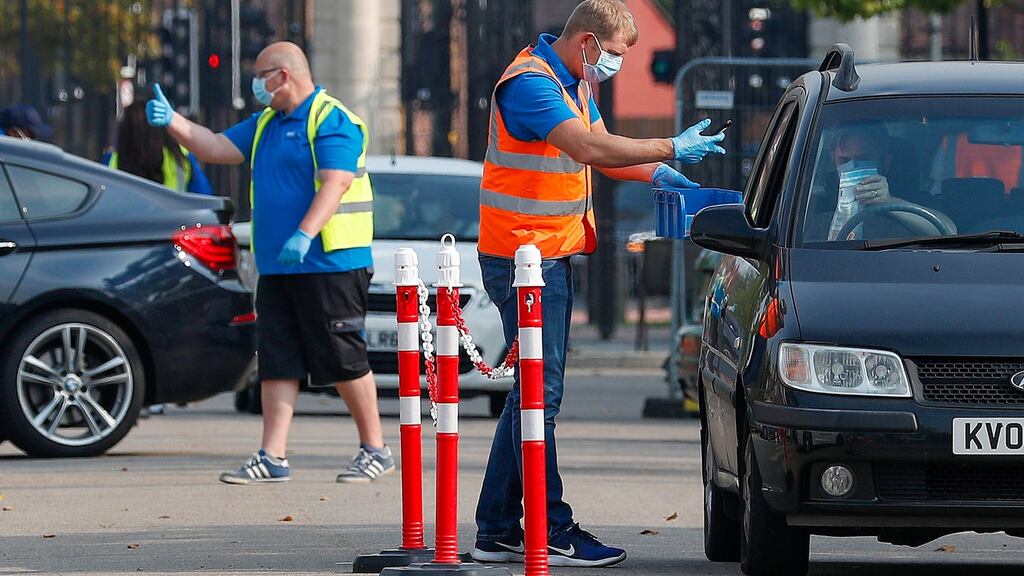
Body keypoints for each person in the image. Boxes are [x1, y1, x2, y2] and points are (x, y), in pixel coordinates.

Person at [472, 0, 725, 568]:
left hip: (544, 255)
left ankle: (496, 529)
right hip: (524, 261)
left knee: (530, 398)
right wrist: (667, 146)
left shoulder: (573, 81)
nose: (615, 65)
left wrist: (659, 170)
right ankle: (552, 529)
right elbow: (587, 148)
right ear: (586, 40)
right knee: (542, 397)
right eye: (612, 54)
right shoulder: (530, 85)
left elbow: (606, 155)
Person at [145, 41, 393, 484]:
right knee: (277, 358)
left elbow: (335, 183)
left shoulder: (332, 119)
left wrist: (304, 234)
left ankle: (375, 448)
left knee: (343, 355)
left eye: (261, 76)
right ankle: (272, 455)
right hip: (279, 266)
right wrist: (176, 124)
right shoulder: (267, 123)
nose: (256, 84)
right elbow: (218, 146)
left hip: (330, 263)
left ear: (284, 75)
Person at [104, 100, 212, 195]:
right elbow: (204, 194)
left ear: (125, 131)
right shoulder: (180, 156)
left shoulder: (111, 161)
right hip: (174, 218)